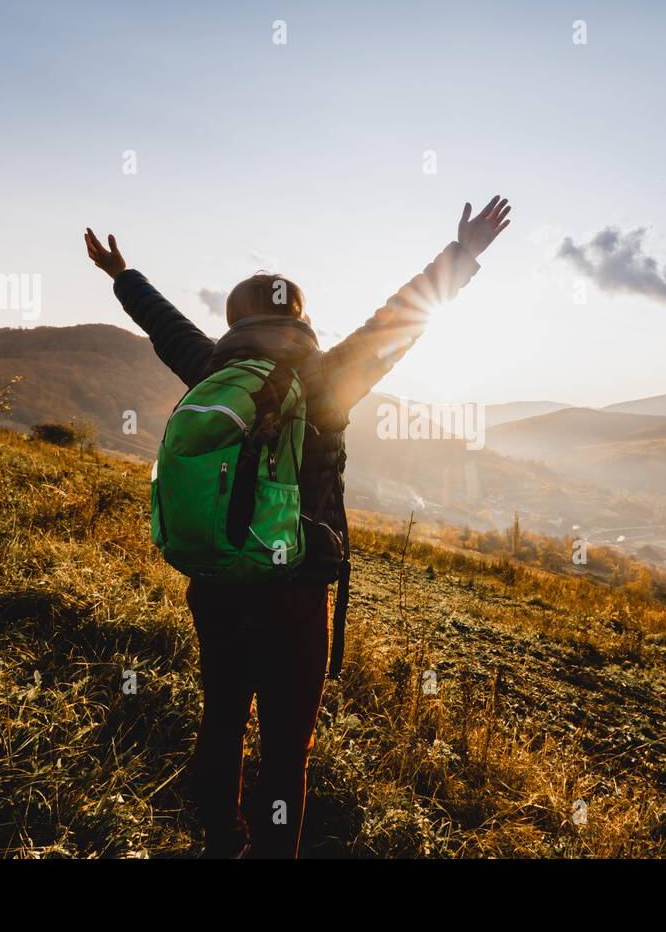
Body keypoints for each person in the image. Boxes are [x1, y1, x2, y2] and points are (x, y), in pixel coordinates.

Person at [83, 196, 511, 857]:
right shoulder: (327, 378)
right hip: (296, 591)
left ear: (233, 323)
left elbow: (165, 327)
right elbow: (397, 321)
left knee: (221, 720)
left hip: (218, 578)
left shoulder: (213, 370)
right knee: (287, 751)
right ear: (301, 320)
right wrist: (463, 255)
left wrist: (123, 274)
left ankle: (221, 842)